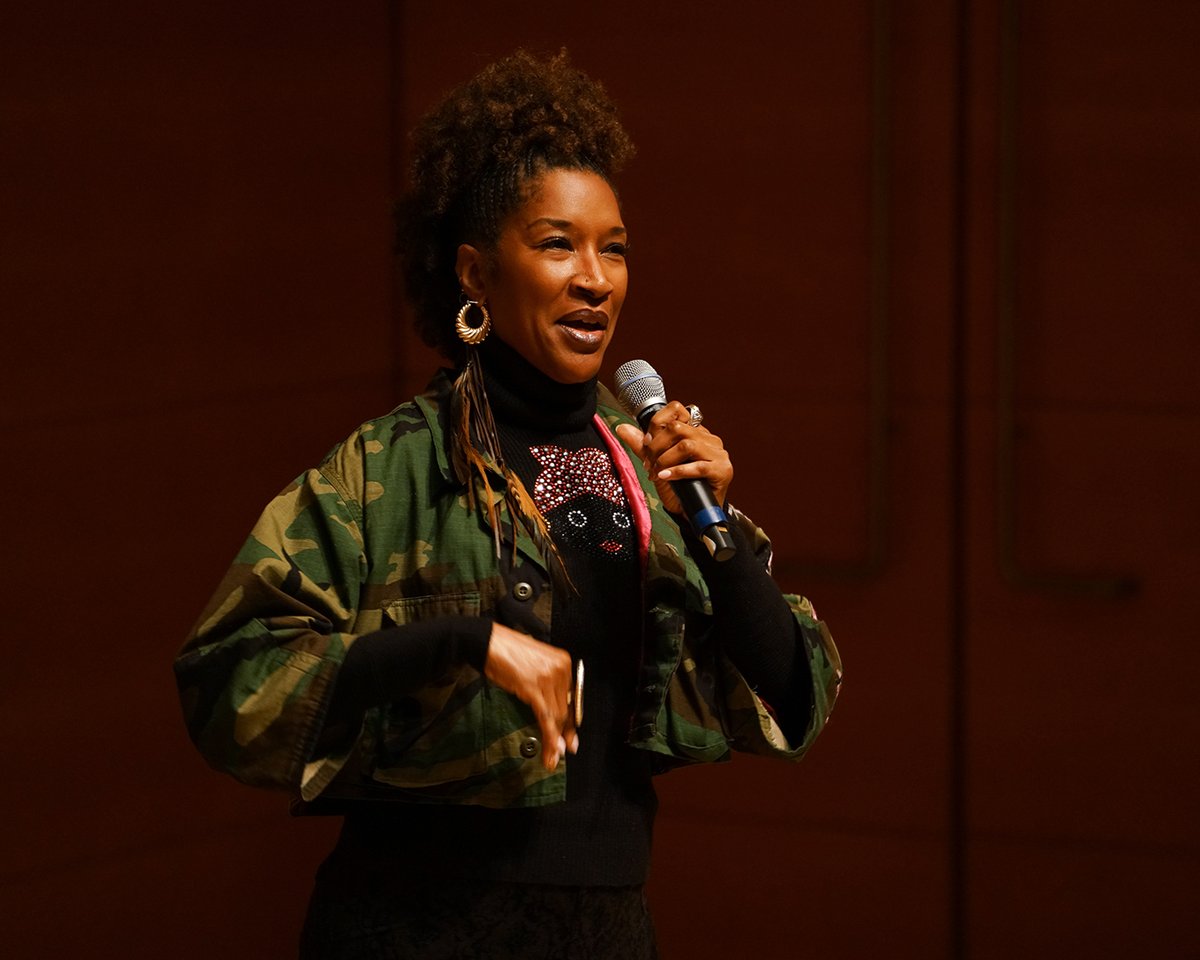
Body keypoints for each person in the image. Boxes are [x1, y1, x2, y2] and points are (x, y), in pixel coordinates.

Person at [175, 49, 842, 959]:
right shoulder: (386, 469)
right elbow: (228, 681)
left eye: (614, 248)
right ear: (477, 275)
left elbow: (798, 694)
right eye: (558, 243)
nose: (596, 279)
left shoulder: (653, 468)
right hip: (412, 927)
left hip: (604, 928)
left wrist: (712, 533)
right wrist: (462, 643)